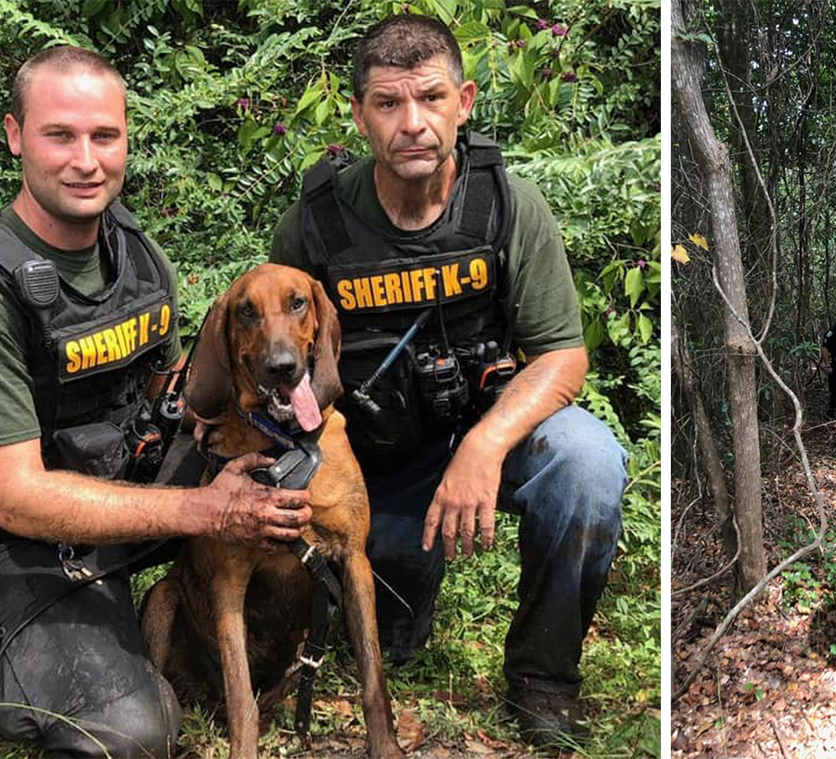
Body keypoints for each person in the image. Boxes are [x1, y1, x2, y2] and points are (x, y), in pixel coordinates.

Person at [0, 47, 310, 759]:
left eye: (104, 136)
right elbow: (15, 497)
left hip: (122, 485)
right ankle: (14, 655)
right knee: (131, 730)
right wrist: (204, 509)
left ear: (126, 139)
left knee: (296, 479)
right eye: (60, 134)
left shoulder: (133, 249)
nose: (86, 160)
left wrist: (257, 434)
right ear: (15, 135)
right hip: (18, 545)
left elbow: (169, 386)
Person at [268, 14, 627, 747]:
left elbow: (562, 356)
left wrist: (487, 445)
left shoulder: (507, 205)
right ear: (359, 114)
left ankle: (543, 676)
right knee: (394, 639)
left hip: (481, 427)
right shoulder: (315, 225)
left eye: (430, 99)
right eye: (388, 104)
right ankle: (385, 594)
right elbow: (278, 356)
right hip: (374, 452)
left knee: (587, 464)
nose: (413, 124)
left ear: (463, 101)